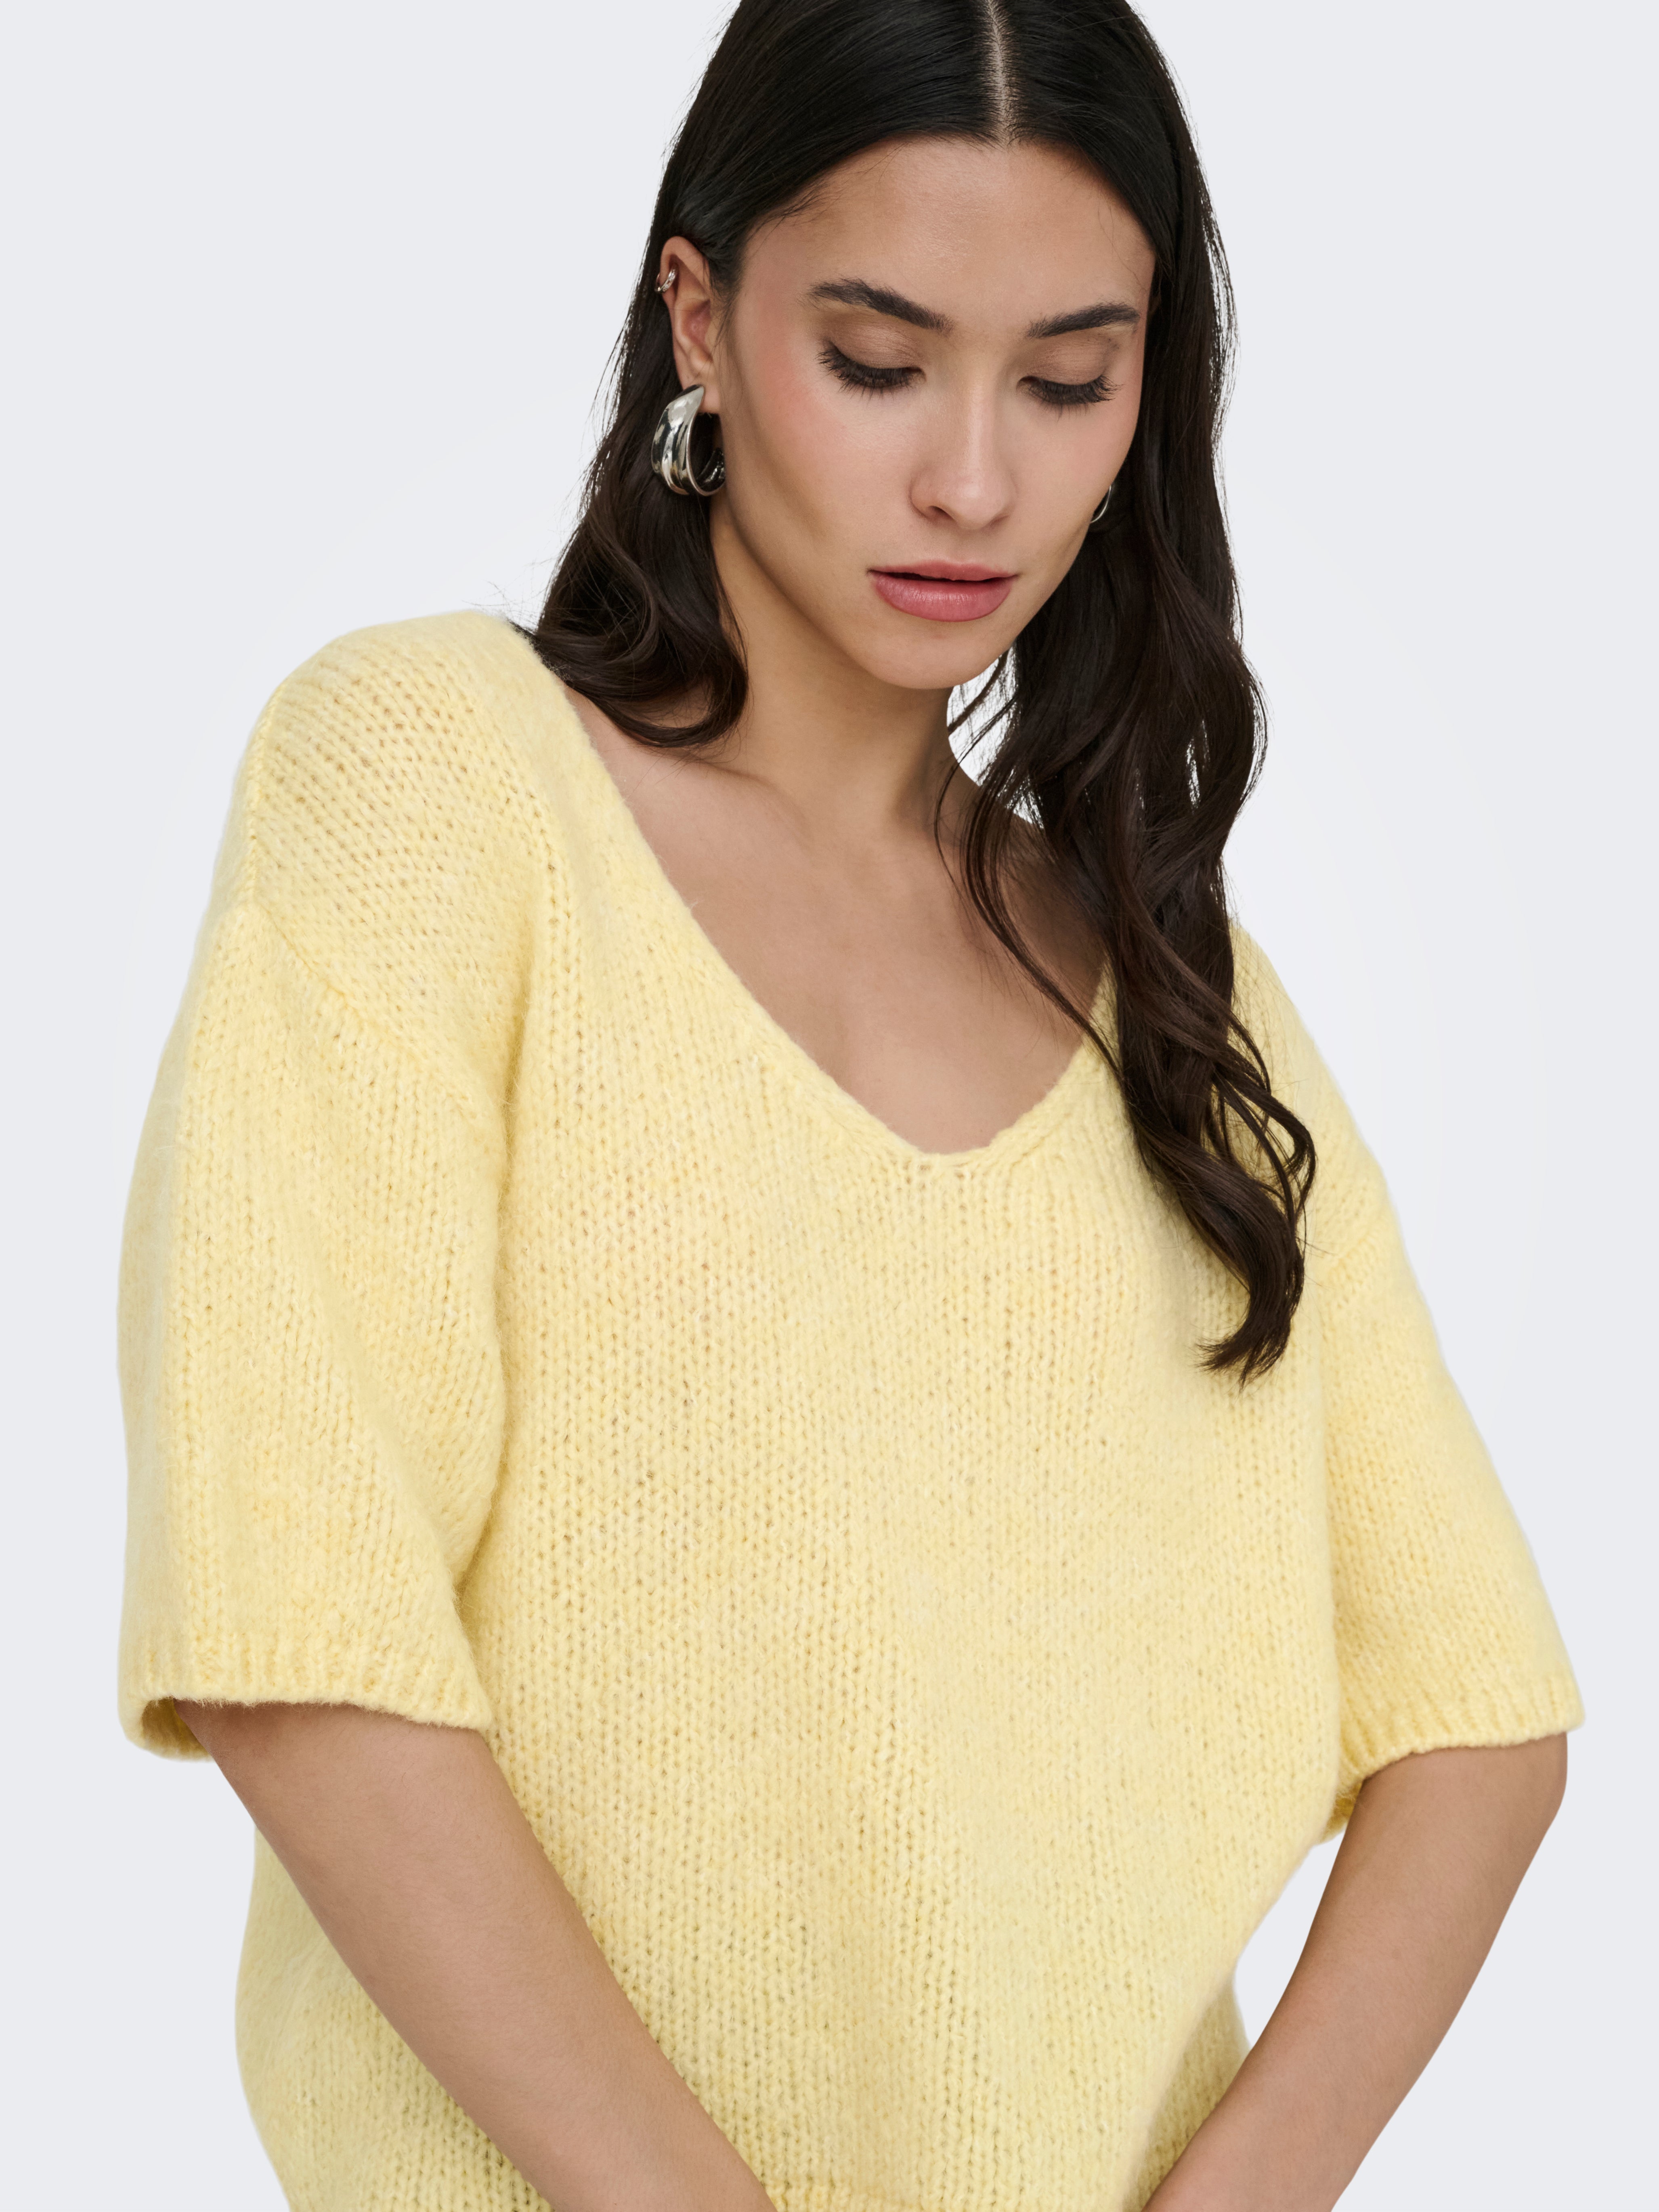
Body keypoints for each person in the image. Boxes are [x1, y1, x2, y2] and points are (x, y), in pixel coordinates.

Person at [115, 4, 1583, 2209]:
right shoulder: (434, 785)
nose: (974, 480)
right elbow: (298, 1627)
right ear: (699, 320)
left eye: (1068, 382)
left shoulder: (1172, 992)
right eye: (880, 362)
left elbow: (1479, 1712)